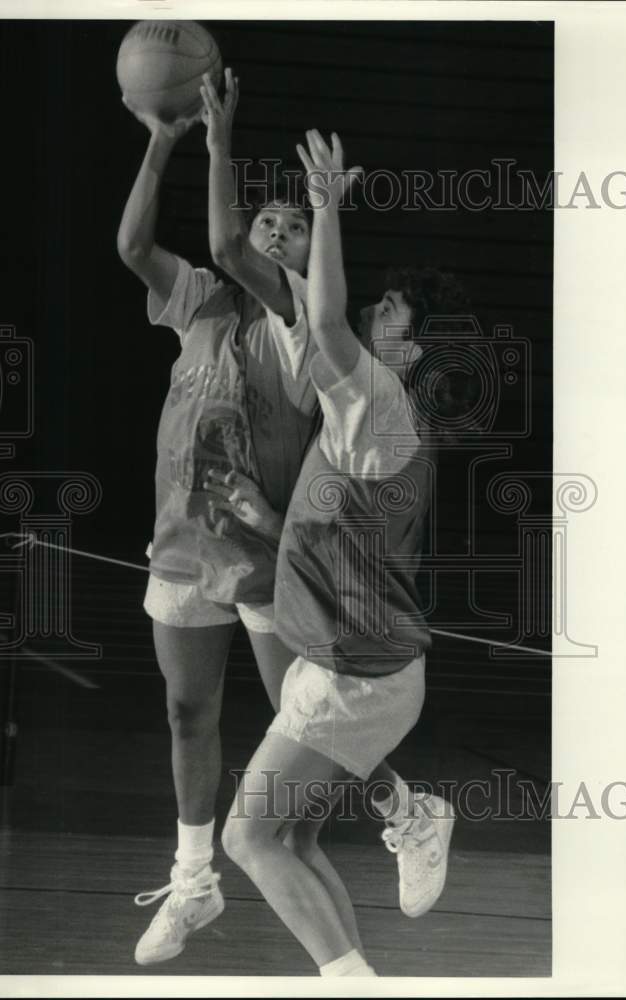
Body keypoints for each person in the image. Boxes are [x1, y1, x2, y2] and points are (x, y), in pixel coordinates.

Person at [219, 130, 468, 976]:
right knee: (291, 836)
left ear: (411, 348)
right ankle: (356, 965)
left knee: (248, 836)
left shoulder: (379, 397)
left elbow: (321, 314)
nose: (378, 306)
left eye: (396, 308)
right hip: (355, 663)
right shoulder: (360, 405)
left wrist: (325, 205)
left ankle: (356, 967)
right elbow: (256, 271)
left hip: (355, 675)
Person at [117, 69, 319, 965]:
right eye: (267, 216)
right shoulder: (201, 300)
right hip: (182, 546)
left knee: (303, 718)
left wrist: (218, 138)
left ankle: (398, 810)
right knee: (186, 712)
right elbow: (131, 248)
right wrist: (161, 143)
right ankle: (194, 878)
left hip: (265, 549)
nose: (274, 227)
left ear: (313, 253)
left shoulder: (300, 315)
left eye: (293, 222)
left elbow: (230, 245)